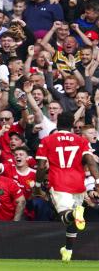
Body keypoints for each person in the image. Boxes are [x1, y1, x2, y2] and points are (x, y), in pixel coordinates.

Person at [35, 112, 99, 262]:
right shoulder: (81, 141)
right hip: (78, 184)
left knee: (66, 216)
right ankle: (68, 250)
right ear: (72, 124)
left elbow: (41, 166)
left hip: (59, 183)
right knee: (75, 220)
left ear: (57, 123)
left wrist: (37, 186)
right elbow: (90, 161)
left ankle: (75, 214)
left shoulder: (47, 140)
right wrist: (97, 182)